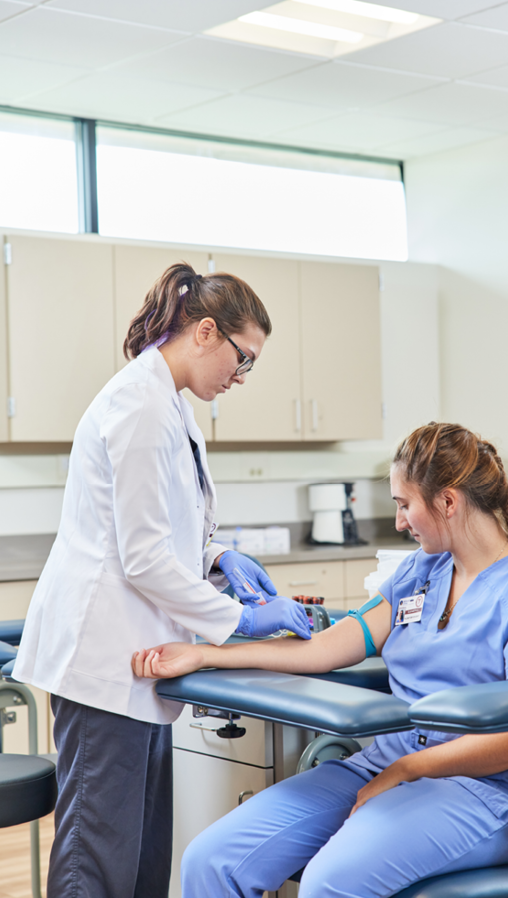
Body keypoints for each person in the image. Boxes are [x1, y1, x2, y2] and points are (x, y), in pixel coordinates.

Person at [133, 422, 508, 898]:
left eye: (404, 504)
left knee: (330, 882)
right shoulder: (420, 572)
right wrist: (205, 653)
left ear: (448, 502)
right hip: (385, 763)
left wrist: (408, 770)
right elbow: (324, 648)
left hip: (483, 791)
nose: (399, 522)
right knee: (210, 860)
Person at [12, 262, 310, 898]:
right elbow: (142, 557)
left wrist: (216, 557)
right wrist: (239, 621)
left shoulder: (172, 405)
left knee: (143, 857)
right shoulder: (137, 404)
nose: (242, 375)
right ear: (205, 331)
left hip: (141, 663)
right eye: (243, 357)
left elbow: (167, 531)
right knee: (97, 857)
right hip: (103, 663)